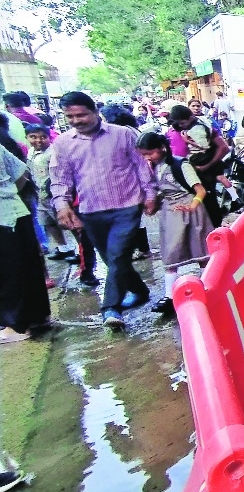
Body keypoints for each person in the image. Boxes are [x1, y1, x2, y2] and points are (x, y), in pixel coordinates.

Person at [49, 92, 158, 330]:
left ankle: (111, 308)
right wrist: (62, 205)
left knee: (118, 255)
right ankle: (139, 291)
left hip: (126, 207)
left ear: (95, 112)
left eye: (81, 114)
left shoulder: (123, 135)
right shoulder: (63, 143)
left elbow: (141, 167)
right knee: (112, 259)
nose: (77, 120)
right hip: (90, 210)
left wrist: (150, 194)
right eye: (70, 117)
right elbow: (60, 178)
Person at [135, 132, 213, 317]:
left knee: (201, 251)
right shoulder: (155, 166)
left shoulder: (181, 164)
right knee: (170, 254)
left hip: (189, 210)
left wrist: (192, 206)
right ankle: (170, 296)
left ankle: (209, 285)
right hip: (170, 212)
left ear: (161, 148)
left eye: (150, 153)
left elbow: (200, 190)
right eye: (144, 155)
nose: (147, 158)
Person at [0, 144, 51, 344]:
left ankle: (16, 326)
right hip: (16, 210)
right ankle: (38, 317)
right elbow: (22, 174)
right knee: (28, 266)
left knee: (7, 274)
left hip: (3, 220)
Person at [167, 105, 229, 227]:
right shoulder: (174, 130)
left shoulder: (202, 126)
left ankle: (215, 230)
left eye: (182, 123)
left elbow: (224, 148)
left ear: (191, 117)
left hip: (201, 171)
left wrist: (207, 166)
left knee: (208, 203)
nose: (180, 125)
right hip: (184, 173)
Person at [25, 124, 77, 261]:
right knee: (49, 223)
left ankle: (80, 251)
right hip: (40, 195)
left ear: (49, 137)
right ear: (27, 138)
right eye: (33, 137)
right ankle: (64, 248)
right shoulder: (30, 152)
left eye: (43, 137)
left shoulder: (53, 153)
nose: (38, 140)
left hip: (55, 194)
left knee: (69, 223)